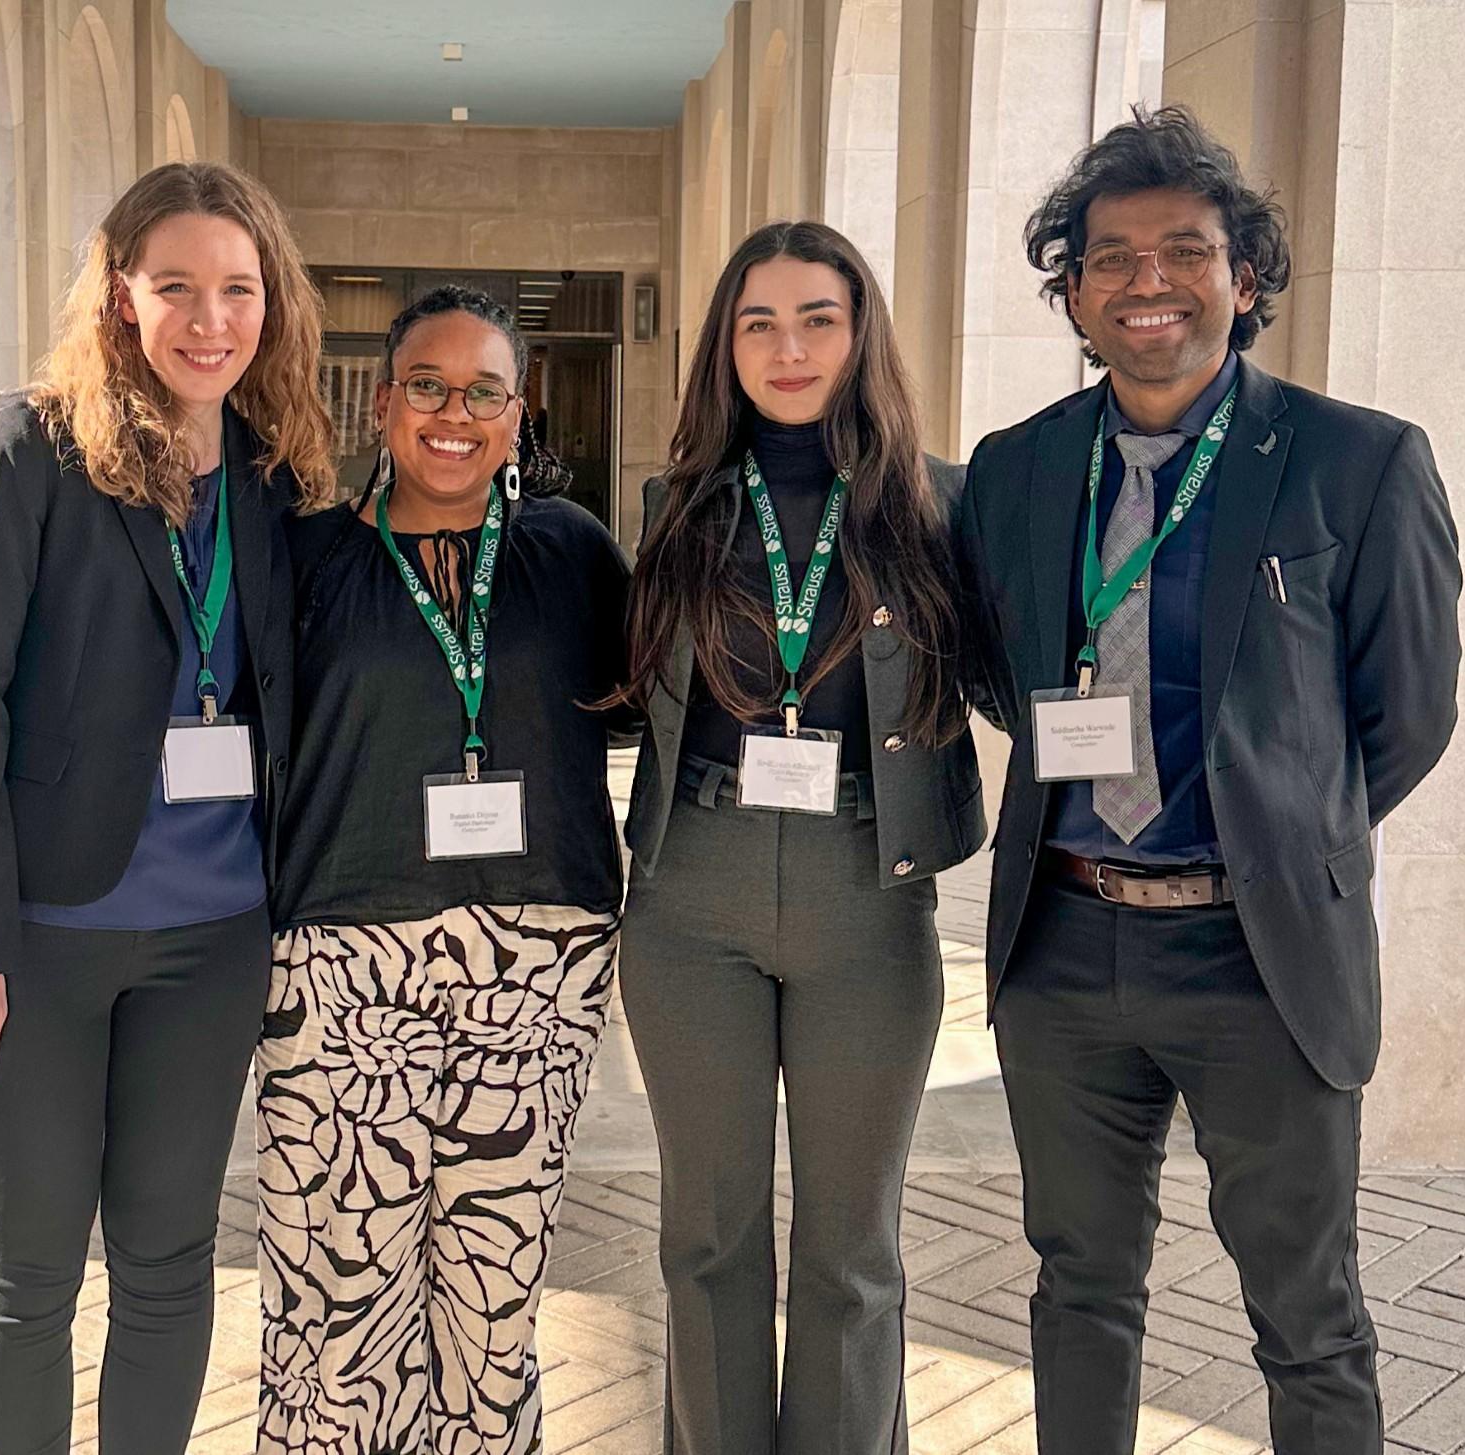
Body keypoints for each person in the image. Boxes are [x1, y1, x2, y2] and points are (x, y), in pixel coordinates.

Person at [951, 106, 1463, 1453]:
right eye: (1110, 256)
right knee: (1079, 1288)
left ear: (1248, 276)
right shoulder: (1015, 470)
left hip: (1259, 951)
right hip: (1064, 945)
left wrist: (1275, 827)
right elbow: (1003, 674)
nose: (1147, 281)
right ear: (1072, 289)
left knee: (1309, 1316)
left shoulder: (1360, 464)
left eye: (1185, 249)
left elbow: (1404, 714)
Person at [0, 161, 333, 1455]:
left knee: (168, 1263)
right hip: (37, 939)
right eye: (177, 287)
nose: (210, 318)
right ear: (120, 295)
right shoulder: (30, 445)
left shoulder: (272, 476)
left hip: (214, 941)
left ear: (272, 303)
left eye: (237, 289)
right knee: (32, 1273)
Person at [611, 219, 982, 1454]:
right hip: (693, 897)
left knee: (851, 1246)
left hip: (863, 892)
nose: (786, 346)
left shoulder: (935, 506)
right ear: (724, 341)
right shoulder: (677, 507)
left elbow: (1021, 674)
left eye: (816, 317)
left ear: (860, 331)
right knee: (706, 1239)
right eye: (757, 320)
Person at [257, 286, 631, 1455]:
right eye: (429, 385)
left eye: (485, 392)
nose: (453, 414)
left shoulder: (572, 553)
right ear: (383, 402)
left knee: (491, 1298)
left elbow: (650, 707)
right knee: (337, 1300)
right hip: (338, 965)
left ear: (518, 418)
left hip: (539, 963)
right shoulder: (308, 556)